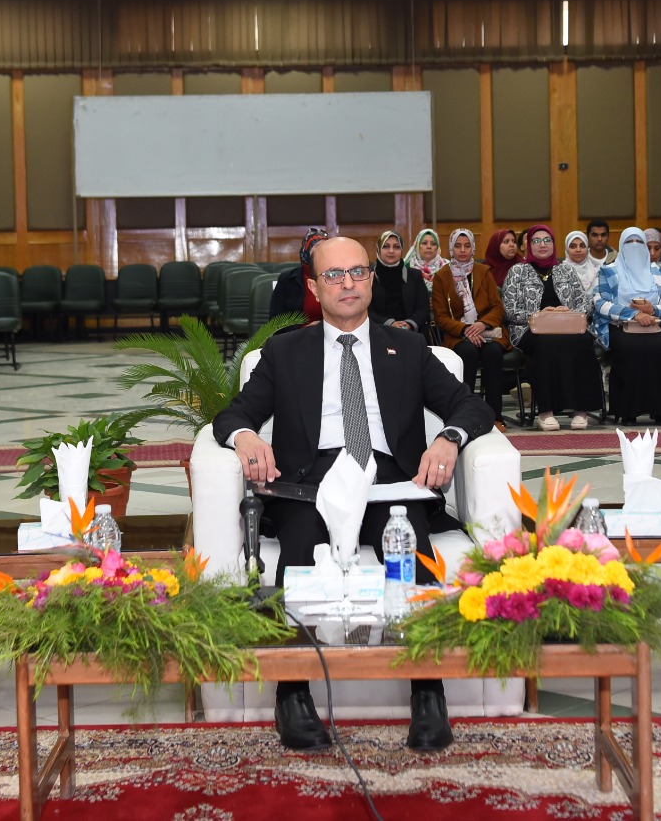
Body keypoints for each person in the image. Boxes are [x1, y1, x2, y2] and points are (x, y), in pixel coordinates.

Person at [213, 236, 492, 753]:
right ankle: (292, 694)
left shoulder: (408, 349)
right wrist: (246, 436)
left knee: (410, 554)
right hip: (310, 481)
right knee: (299, 551)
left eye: (358, 272)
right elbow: (233, 415)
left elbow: (470, 406)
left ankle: (428, 692)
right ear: (314, 287)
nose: (348, 283)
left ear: (371, 280)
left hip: (389, 478)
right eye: (334, 275)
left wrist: (449, 439)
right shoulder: (285, 351)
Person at [501, 224, 603, 430]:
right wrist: (539, 316)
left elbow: (585, 303)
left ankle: (581, 410)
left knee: (583, 341)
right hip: (531, 329)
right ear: (528, 245)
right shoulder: (517, 271)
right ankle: (545, 412)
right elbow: (509, 311)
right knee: (545, 343)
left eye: (547, 240)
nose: (542, 244)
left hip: (568, 326)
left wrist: (568, 312)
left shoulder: (566, 269)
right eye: (536, 241)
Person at [594, 228, 661, 425]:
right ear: (620, 246)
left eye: (638, 242)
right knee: (630, 348)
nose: (634, 246)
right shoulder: (608, 271)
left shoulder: (659, 272)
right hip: (620, 324)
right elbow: (600, 303)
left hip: (656, 323)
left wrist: (654, 310)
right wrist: (634, 314)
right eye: (629, 242)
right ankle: (628, 411)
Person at [430, 229, 508, 420]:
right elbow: (441, 317)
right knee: (467, 352)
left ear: (473, 247)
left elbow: (497, 307)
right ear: (451, 248)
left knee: (493, 353)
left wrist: (482, 324)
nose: (463, 250)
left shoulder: (484, 272)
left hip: (487, 331)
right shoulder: (441, 276)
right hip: (458, 334)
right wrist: (466, 329)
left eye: (467, 245)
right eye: (458, 246)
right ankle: (466, 415)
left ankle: (495, 416)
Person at [368, 230, 429, 333]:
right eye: (386, 246)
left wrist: (409, 324)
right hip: (379, 332)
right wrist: (390, 323)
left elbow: (423, 309)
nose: (391, 251)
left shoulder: (414, 275)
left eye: (396, 247)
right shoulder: (370, 277)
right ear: (378, 249)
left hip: (411, 333)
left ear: (401, 250)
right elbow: (366, 311)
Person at [271, 228, 328, 324]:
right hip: (297, 332)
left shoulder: (336, 276)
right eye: (318, 246)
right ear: (306, 250)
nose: (323, 251)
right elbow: (275, 323)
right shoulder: (287, 280)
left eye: (326, 247)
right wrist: (304, 329)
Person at [561, 230, 600, 298]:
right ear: (567, 249)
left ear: (587, 248)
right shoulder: (561, 272)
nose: (578, 250)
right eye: (573, 246)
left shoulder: (596, 270)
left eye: (582, 246)